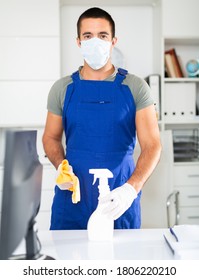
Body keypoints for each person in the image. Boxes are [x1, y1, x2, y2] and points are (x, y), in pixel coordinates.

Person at [42, 7, 162, 230]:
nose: (95, 41)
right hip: (73, 197)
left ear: (113, 41)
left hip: (119, 198)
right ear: (78, 41)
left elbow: (152, 145)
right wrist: (61, 167)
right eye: (88, 36)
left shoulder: (135, 87)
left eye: (102, 35)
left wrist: (130, 189)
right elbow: (50, 137)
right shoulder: (62, 88)